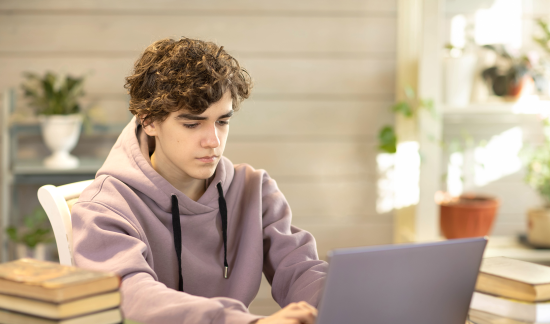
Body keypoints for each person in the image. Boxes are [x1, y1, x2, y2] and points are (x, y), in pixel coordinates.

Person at [71, 37, 328, 324]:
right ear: (149, 121)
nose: (213, 141)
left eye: (222, 121)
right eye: (193, 124)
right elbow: (132, 296)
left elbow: (300, 269)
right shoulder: (104, 208)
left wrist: (337, 305)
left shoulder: (254, 191)